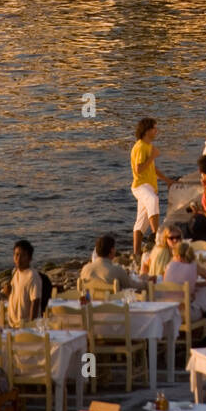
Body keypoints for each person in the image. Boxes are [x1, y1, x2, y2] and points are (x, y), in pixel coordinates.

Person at [130, 117, 177, 262]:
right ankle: (157, 236)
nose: (157, 131)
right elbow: (139, 169)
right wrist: (152, 156)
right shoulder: (140, 146)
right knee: (153, 200)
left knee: (141, 221)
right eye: (154, 128)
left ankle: (136, 253)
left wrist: (167, 180)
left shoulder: (148, 147)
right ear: (147, 130)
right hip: (140, 185)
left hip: (149, 186)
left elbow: (152, 168)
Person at [80, 234, 147, 292]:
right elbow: (132, 286)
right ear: (112, 251)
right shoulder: (117, 270)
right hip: (111, 306)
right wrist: (146, 283)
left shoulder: (85, 269)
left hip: (91, 305)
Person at [4, 239, 42, 327]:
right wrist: (7, 292)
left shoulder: (32, 276)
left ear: (30, 258)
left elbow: (35, 301)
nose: (19, 259)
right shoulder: (15, 272)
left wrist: (30, 325)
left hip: (25, 324)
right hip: (13, 323)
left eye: (23, 255)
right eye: (16, 255)